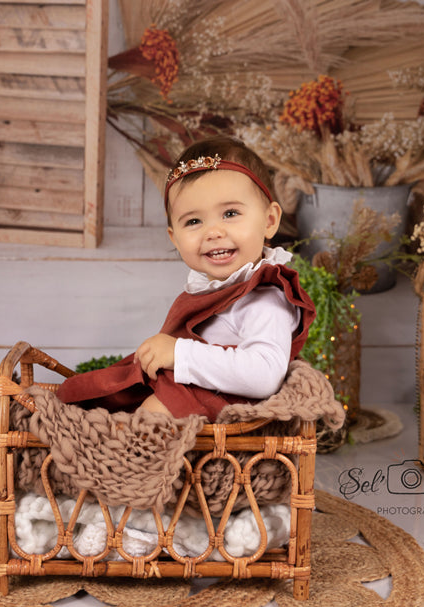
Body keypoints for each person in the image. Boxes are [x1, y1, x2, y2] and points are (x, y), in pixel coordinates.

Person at [56, 136, 315, 420]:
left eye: (230, 213)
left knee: (151, 417)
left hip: (233, 410)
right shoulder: (213, 290)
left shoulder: (265, 299)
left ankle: (114, 455)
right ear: (175, 238)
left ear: (269, 221)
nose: (213, 232)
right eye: (193, 221)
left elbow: (265, 375)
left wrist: (180, 354)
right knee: (101, 396)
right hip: (193, 392)